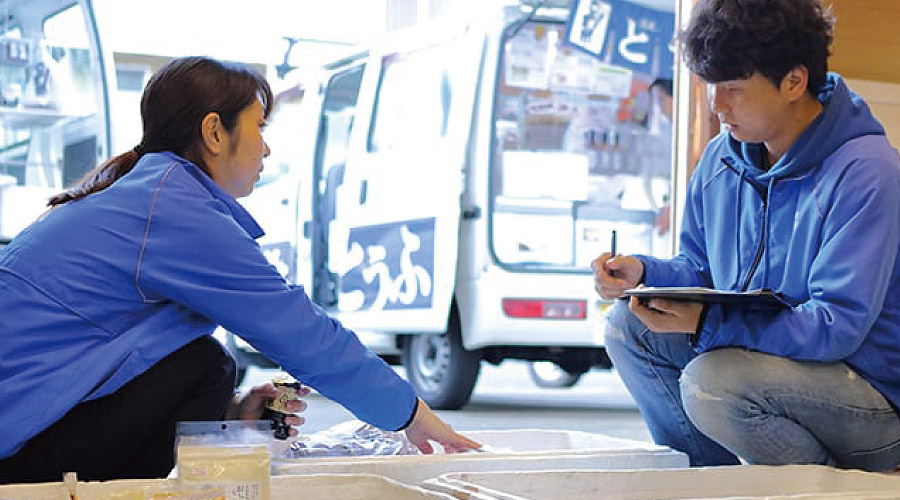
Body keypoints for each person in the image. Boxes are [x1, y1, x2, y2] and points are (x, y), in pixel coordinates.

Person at [0, 56, 478, 483]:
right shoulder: (172, 209)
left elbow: (108, 368)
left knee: (207, 367)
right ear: (214, 133)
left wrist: (231, 413)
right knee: (206, 363)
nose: (266, 149)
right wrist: (413, 415)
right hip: (15, 451)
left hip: (21, 433)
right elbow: (300, 332)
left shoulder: (146, 197)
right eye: (259, 128)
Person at [593, 0, 900, 471]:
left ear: (794, 82)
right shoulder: (722, 158)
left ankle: (823, 491)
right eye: (710, 85)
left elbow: (834, 327)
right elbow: (701, 270)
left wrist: (706, 324)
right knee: (628, 327)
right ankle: (710, 486)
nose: (717, 105)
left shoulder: (867, 171)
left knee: (713, 382)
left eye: (733, 88)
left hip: (871, 399)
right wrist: (645, 275)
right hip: (775, 368)